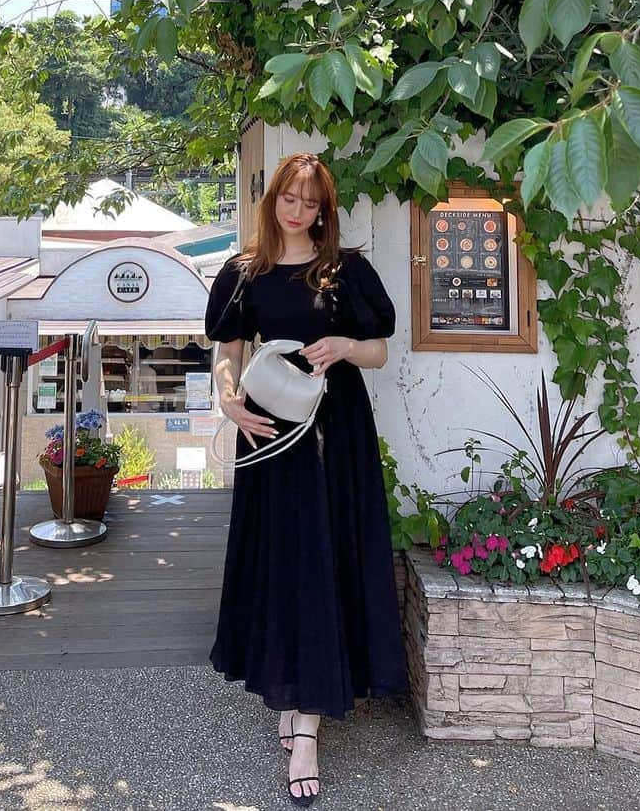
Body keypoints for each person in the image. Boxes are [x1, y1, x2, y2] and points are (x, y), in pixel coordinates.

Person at [205, 152, 408, 806]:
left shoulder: (344, 269)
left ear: (324, 208)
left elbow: (378, 346)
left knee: (324, 559)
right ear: (273, 202)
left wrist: (343, 346)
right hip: (269, 432)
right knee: (283, 563)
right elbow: (227, 349)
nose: (298, 210)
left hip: (333, 430)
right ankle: (290, 688)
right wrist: (228, 396)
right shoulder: (245, 271)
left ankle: (307, 729)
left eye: (310, 201)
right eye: (289, 198)